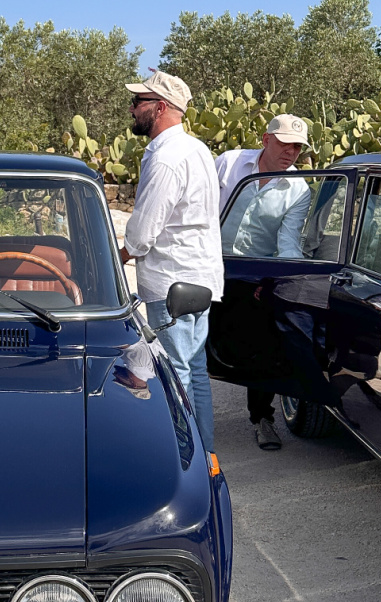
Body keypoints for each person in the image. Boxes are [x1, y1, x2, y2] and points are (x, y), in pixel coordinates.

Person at [120, 70, 222, 448]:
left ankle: (187, 456)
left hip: (171, 283)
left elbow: (143, 231)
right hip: (201, 279)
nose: (132, 109)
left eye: (138, 102)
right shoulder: (197, 149)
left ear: (160, 107)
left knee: (175, 373)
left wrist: (115, 259)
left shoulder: (165, 157)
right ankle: (207, 455)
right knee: (195, 370)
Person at [215, 114, 310, 450]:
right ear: (267, 139)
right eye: (285, 143)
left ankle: (262, 419)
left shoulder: (299, 189)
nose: (291, 152)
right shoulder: (228, 163)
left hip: (255, 273)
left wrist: (281, 282)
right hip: (208, 263)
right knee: (190, 342)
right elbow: (196, 208)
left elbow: (288, 243)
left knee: (266, 344)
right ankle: (186, 420)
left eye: (297, 147)